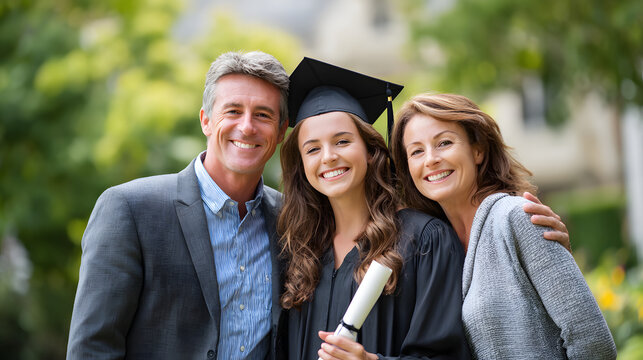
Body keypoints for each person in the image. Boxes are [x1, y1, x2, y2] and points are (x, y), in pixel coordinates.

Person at [67, 51, 289, 359]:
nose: (248, 127)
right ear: (206, 121)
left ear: (281, 131)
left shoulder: (289, 220)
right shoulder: (130, 209)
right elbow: (93, 348)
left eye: (263, 114)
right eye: (233, 111)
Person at [391, 93, 617, 359]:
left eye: (444, 143)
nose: (431, 159)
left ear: (478, 150)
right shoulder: (434, 245)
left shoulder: (517, 218)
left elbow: (593, 340)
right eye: (417, 151)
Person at [277, 57, 471, 359]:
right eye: (312, 148)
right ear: (301, 166)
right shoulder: (301, 253)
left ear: (370, 151)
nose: (327, 157)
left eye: (342, 141)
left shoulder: (424, 241)